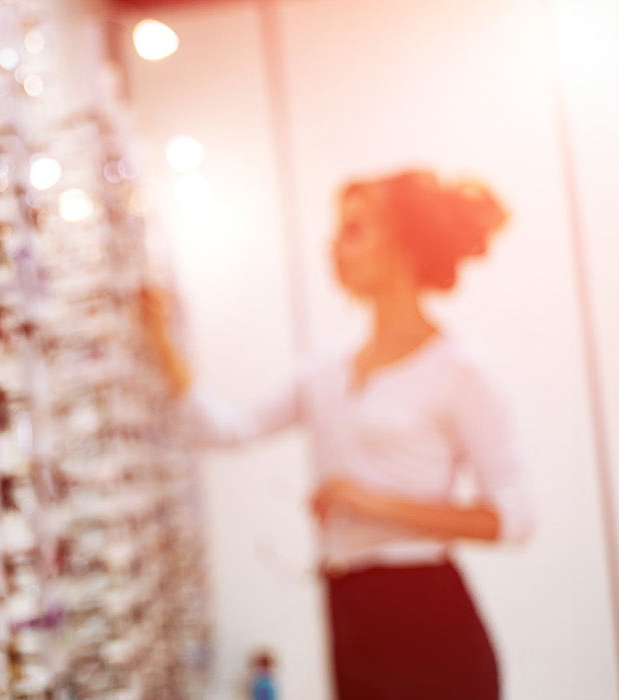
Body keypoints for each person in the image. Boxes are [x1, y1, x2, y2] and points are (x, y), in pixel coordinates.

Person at [191, 169, 533, 700]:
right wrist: (161, 350)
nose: (334, 245)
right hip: (351, 614)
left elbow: (513, 519)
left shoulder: (460, 371)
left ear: (402, 244)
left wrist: (370, 502)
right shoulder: (327, 369)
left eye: (354, 230)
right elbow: (230, 430)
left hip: (427, 617)